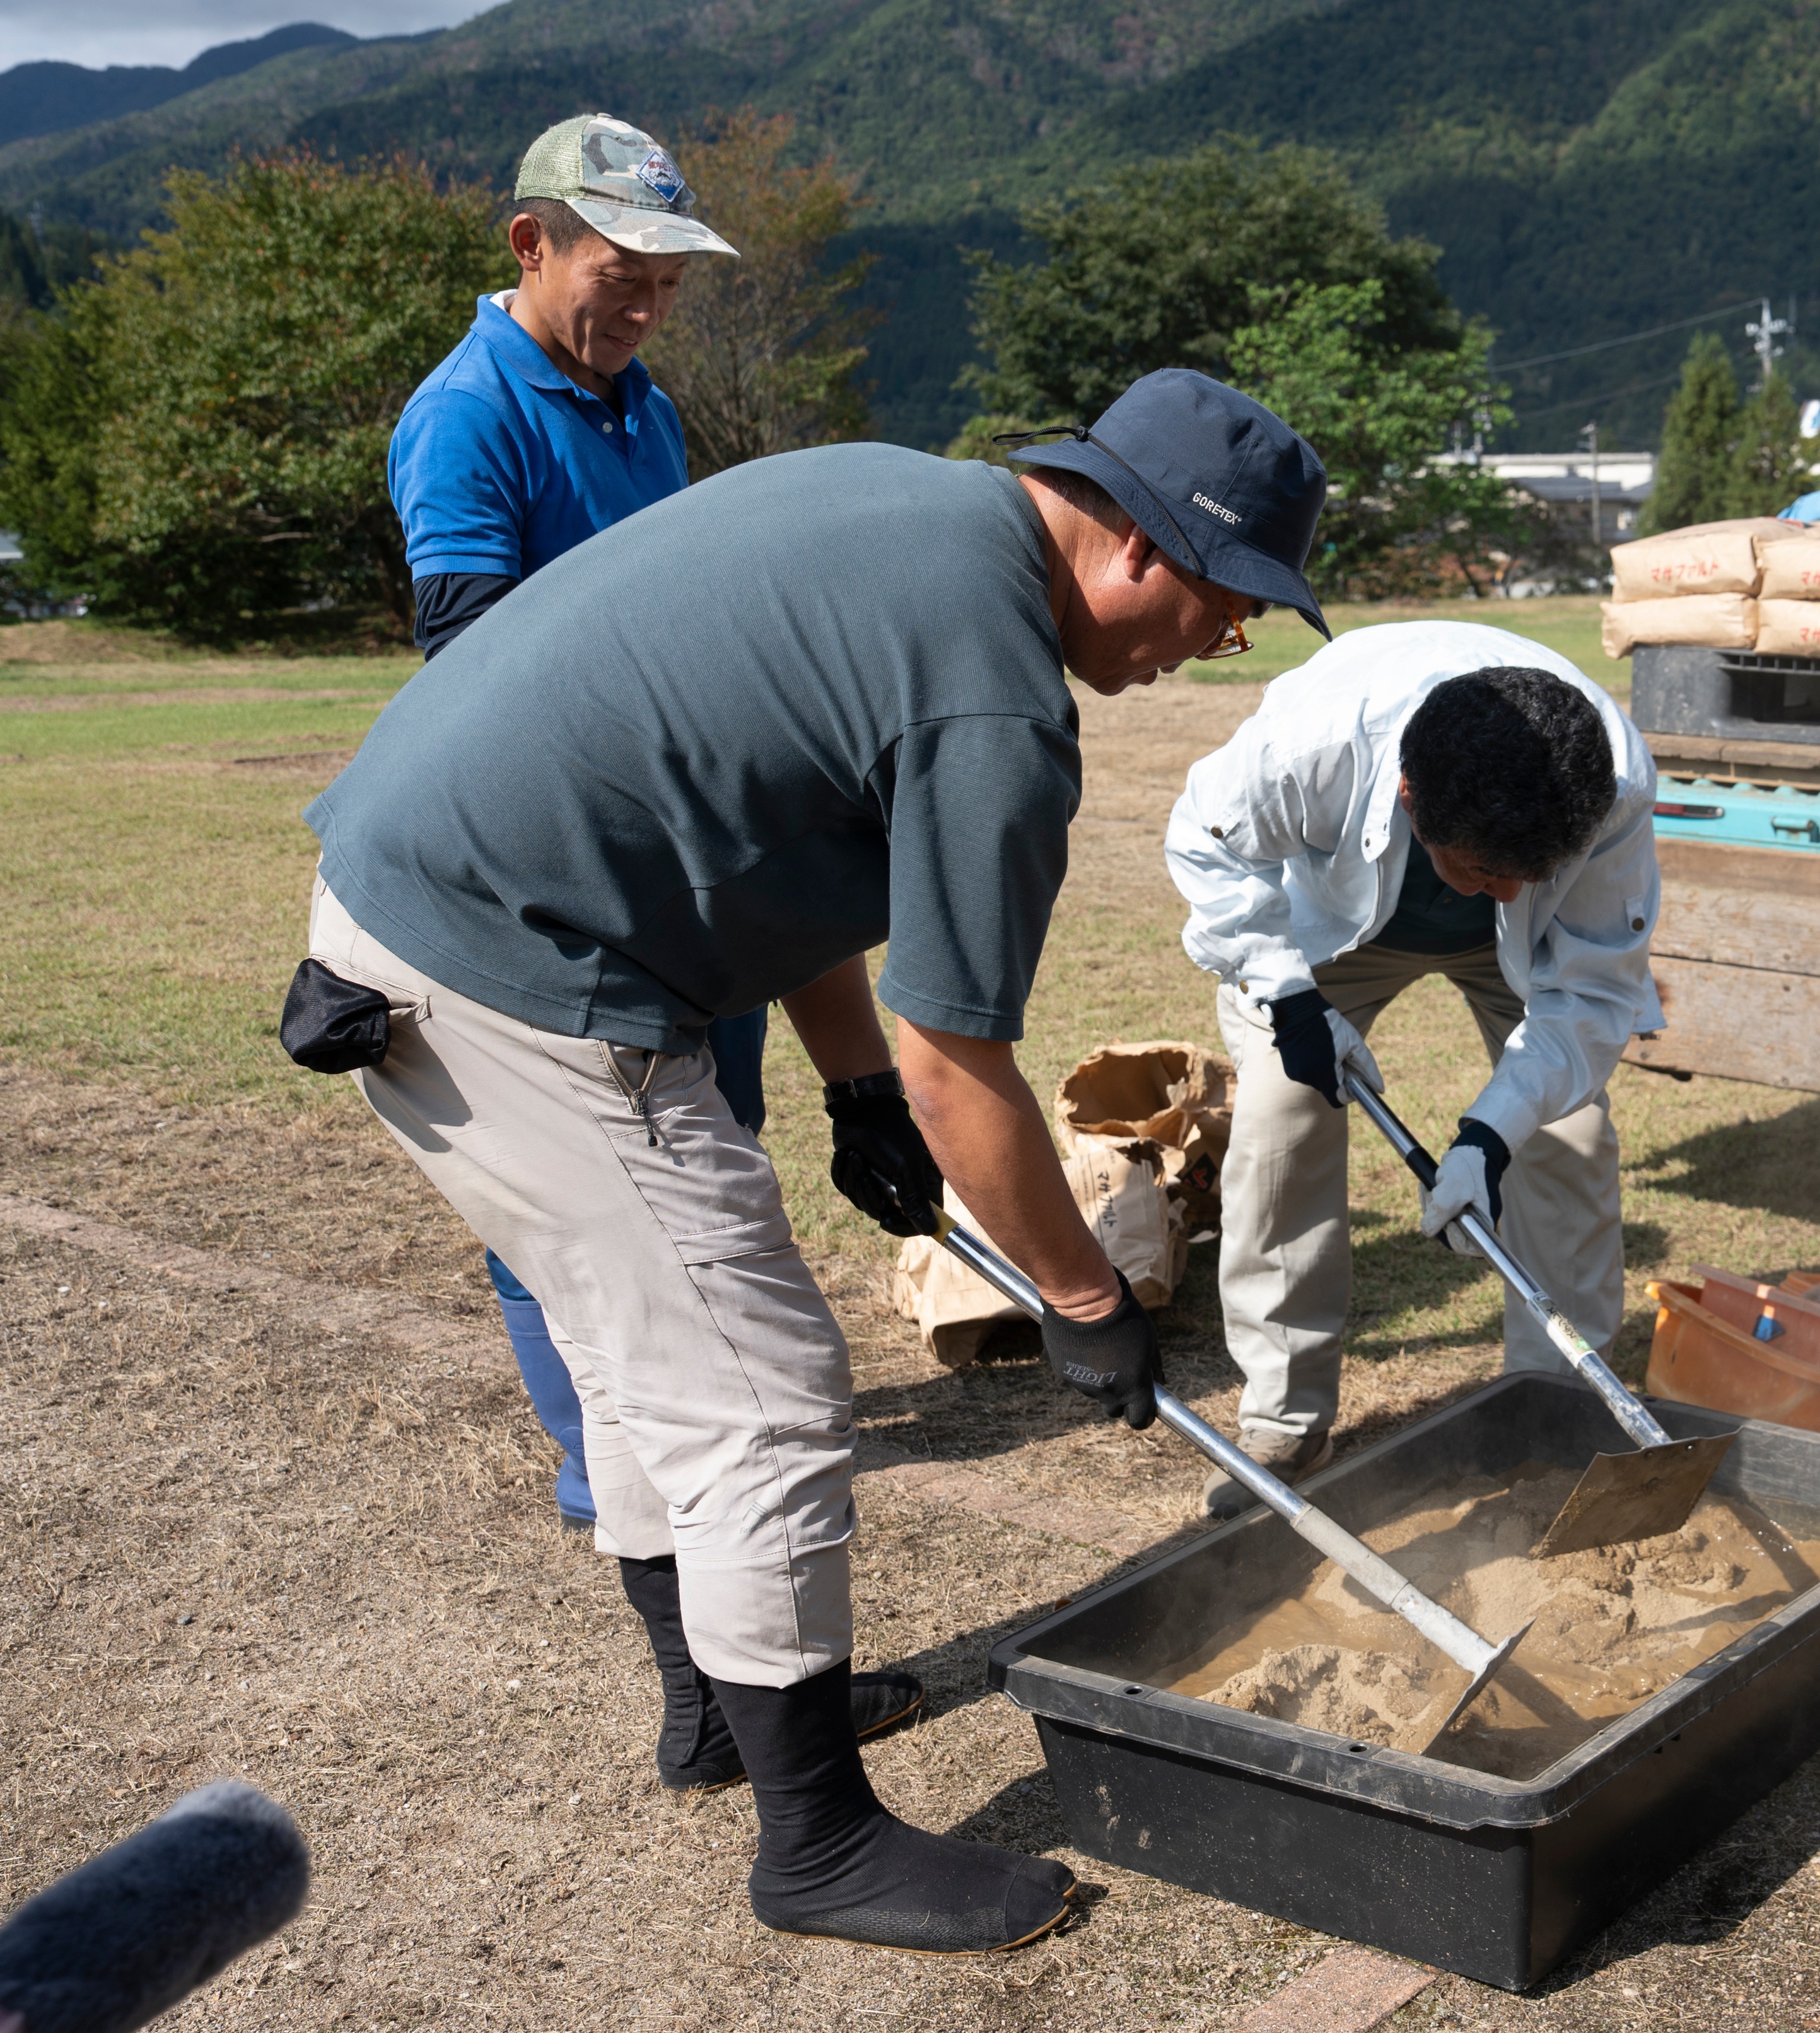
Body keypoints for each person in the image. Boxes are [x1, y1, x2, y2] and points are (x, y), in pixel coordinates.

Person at [289, 370, 1328, 1952]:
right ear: (1139, 548)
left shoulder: (911, 503)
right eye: (1229, 601)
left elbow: (781, 845)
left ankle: (717, 1712)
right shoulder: (995, 696)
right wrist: (1082, 1294)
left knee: (642, 1357)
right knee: (758, 1383)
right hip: (508, 968)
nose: (1224, 641)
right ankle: (819, 1846)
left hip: (415, 910)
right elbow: (961, 1061)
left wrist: (848, 1094)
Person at [385, 112, 758, 1538]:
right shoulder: (470, 413)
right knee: (570, 1178)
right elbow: (472, 667)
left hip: (678, 857)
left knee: (706, 1138)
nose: (650, 306)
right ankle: (603, 1454)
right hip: (562, 866)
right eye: (625, 272)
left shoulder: (642, 403)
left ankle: (694, 1399)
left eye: (670, 282)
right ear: (531, 244)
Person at [1165, 624, 1661, 1516]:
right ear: (1407, 792)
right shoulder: (1316, 741)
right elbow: (1207, 843)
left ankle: (1553, 1411)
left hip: (1525, 961)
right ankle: (1286, 1417)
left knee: (1570, 1134)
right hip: (1334, 926)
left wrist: (1487, 1136)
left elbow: (1589, 997)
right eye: (1482, 870)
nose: (1506, 890)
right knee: (1284, 1114)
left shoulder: (1611, 785)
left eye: (1529, 871)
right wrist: (1287, 992)